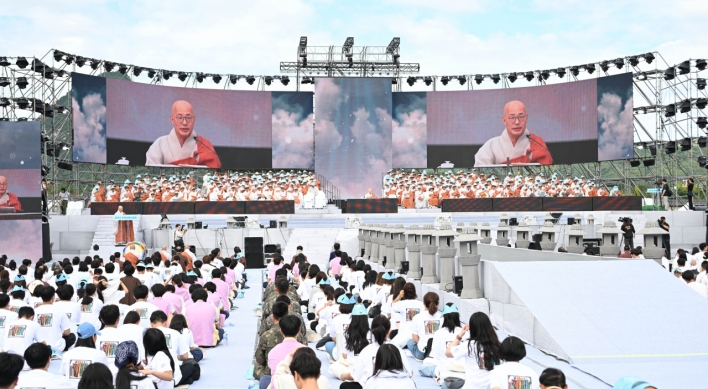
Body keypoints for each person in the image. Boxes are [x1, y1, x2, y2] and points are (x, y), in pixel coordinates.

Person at [474, 100, 553, 166]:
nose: (517, 122)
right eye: (512, 117)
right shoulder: (491, 145)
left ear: (526, 118)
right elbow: (480, 171)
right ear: (504, 120)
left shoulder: (537, 142)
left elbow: (547, 170)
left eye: (521, 117)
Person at [145, 100, 221, 168]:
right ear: (172, 119)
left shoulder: (204, 145)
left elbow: (213, 173)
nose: (184, 122)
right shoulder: (160, 144)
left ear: (194, 119)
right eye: (179, 117)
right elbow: (151, 172)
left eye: (188, 118)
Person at [445, 312, 501, 389]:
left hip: (472, 386)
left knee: (446, 385)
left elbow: (447, 352)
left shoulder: (469, 345)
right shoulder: (497, 345)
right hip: (491, 386)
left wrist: (459, 336)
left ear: (472, 328)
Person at [149, 311, 195, 386]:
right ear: (166, 323)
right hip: (172, 379)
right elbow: (185, 356)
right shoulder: (175, 333)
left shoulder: (146, 334)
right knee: (189, 366)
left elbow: (143, 360)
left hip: (152, 380)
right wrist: (174, 356)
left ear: (151, 324)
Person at [266, 315, 303, 389]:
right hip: (301, 385)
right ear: (299, 330)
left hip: (279, 385)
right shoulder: (307, 350)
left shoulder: (273, 352)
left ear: (281, 331)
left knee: (264, 380)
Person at [35, 285, 75, 352]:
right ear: (53, 297)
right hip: (57, 346)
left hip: (40, 347)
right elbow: (67, 332)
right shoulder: (59, 311)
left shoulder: (35, 311)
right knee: (71, 336)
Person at [407, 292, 442, 362]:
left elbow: (415, 339)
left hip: (422, 353)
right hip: (438, 353)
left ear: (424, 303)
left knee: (410, 342)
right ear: (438, 303)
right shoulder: (442, 317)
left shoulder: (417, 317)